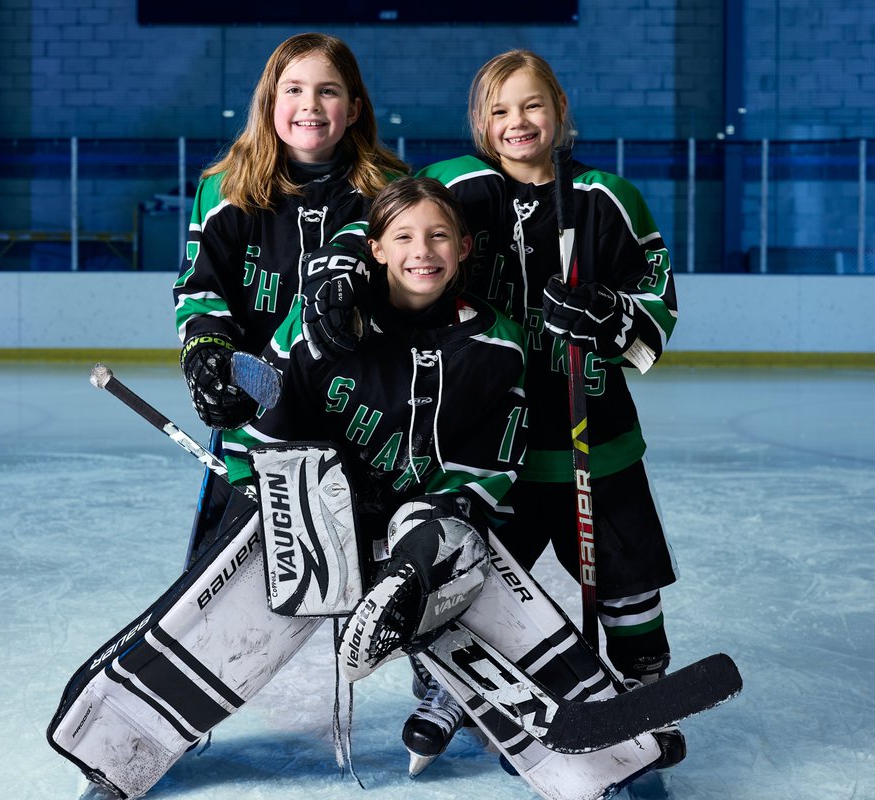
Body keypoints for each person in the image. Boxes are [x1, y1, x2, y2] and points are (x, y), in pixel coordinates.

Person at [307, 50, 683, 768]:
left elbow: (657, 294)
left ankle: (643, 691)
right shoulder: (455, 184)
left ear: (561, 112)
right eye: (500, 109)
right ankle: (450, 691)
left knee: (628, 582)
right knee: (468, 577)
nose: (518, 121)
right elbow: (380, 224)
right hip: (479, 437)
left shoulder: (609, 196)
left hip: (591, 437)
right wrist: (342, 273)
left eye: (533, 105)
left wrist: (611, 313)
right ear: (480, 120)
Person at [221, 176, 528, 678]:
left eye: (439, 236)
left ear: (464, 246)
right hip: (314, 501)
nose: (422, 251)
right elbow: (269, 415)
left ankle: (416, 624)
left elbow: (488, 460)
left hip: (416, 509)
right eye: (403, 237)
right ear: (376, 248)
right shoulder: (323, 319)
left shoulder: (497, 346)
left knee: (450, 535)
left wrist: (443, 515)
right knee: (244, 592)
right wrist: (265, 484)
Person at [172, 32, 407, 563]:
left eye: (328, 91)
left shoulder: (389, 191)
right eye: (293, 90)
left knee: (372, 586)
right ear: (269, 104)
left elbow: (413, 297)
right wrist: (206, 353)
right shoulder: (227, 188)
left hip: (363, 414)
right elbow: (201, 286)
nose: (310, 105)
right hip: (259, 414)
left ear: (354, 109)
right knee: (225, 586)